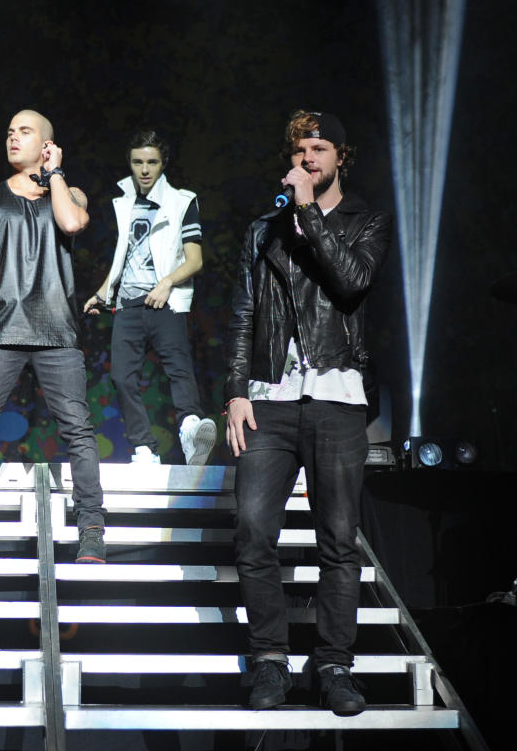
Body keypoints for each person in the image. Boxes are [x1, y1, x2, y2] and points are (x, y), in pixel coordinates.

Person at [224, 110, 391, 716]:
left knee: (338, 543)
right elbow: (243, 314)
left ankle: (334, 667)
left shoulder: (364, 220)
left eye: (319, 149)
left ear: (340, 156)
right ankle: (270, 661)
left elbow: (350, 284)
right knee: (251, 533)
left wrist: (310, 217)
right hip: (270, 399)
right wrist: (236, 391)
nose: (308, 159)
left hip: (338, 398)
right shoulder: (263, 229)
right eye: (299, 150)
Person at [0, 110, 107, 563]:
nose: (13, 137)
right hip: (2, 330)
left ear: (48, 143)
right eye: (9, 131)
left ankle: (92, 529)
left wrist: (55, 175)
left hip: (57, 332)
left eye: (25, 131)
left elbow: (71, 224)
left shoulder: (69, 194)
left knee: (79, 432)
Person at [84, 130, 217, 465]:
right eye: (138, 162)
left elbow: (196, 260)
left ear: (163, 164)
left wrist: (166, 283)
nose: (144, 169)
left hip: (164, 302)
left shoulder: (182, 201)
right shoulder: (124, 202)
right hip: (127, 304)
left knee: (178, 368)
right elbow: (123, 256)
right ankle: (144, 447)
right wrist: (102, 293)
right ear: (130, 163)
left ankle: (190, 429)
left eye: (152, 162)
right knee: (121, 377)